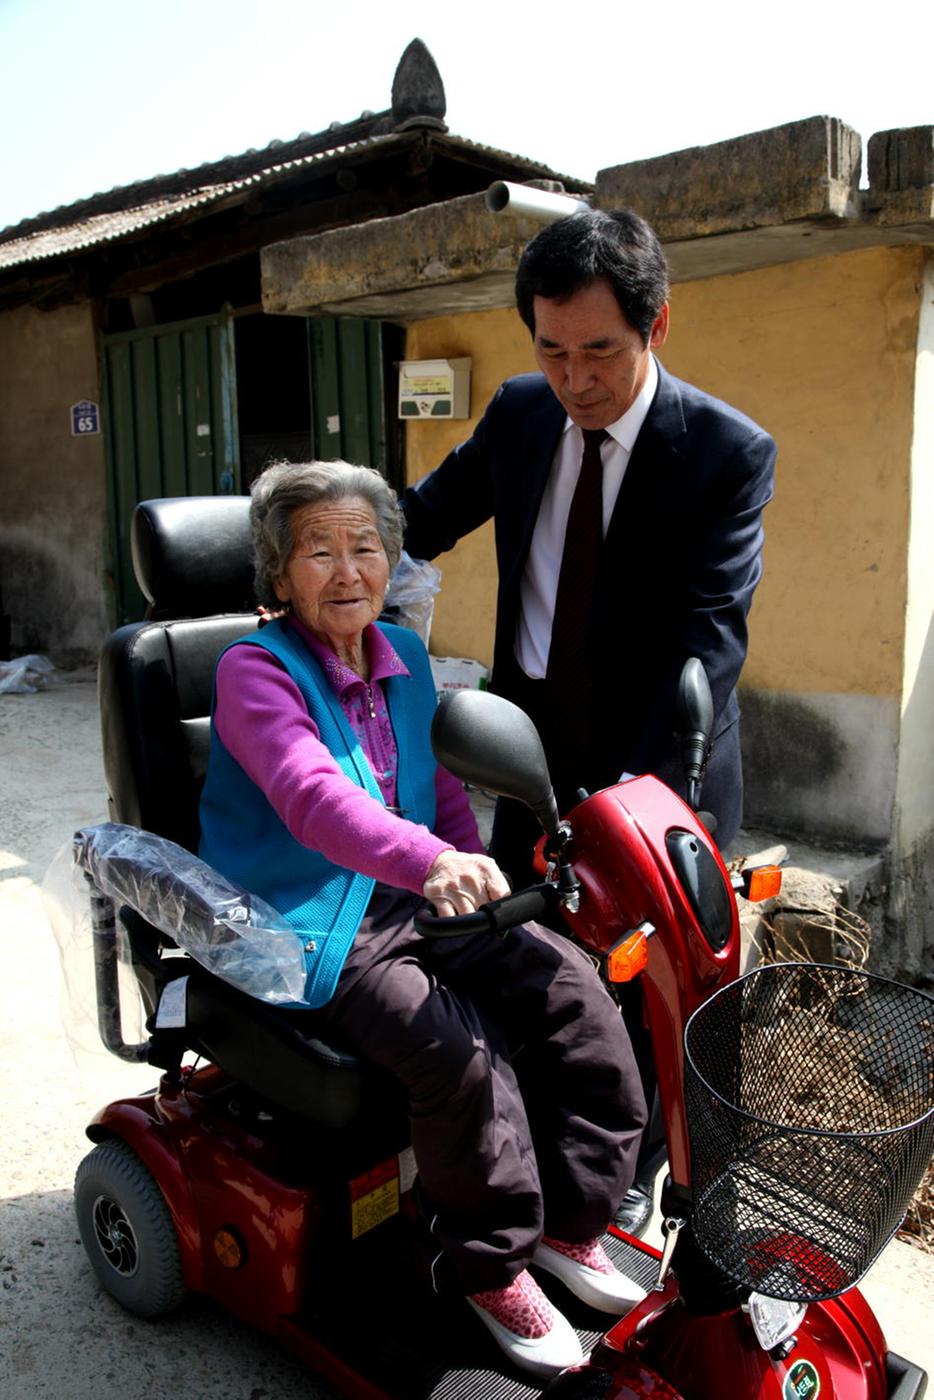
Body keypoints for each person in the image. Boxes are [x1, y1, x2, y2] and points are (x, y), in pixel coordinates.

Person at [198, 459, 648, 1380]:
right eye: (318, 551)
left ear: (390, 560)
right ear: (281, 572)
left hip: (412, 893)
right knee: (456, 1049)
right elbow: (312, 797)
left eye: (365, 547)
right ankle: (488, 1266)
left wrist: (473, 878)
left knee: (574, 994)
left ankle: (569, 1224)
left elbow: (438, 796)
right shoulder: (253, 671)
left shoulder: (402, 660)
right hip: (312, 921)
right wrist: (431, 863)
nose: (347, 571)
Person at [401, 208, 777, 1235]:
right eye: (552, 351)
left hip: (659, 774)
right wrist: (303, 550)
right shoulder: (521, 415)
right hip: (529, 759)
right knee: (523, 970)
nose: (575, 379)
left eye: (599, 351)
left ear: (657, 325)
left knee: (650, 1000)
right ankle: (533, 1172)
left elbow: (709, 639)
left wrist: (632, 812)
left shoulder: (724, 452)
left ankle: (635, 1192)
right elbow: (418, 519)